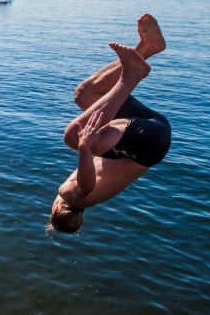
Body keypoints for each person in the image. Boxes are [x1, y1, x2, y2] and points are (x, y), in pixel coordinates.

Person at [50, 14, 171, 234]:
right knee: (74, 138)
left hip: (153, 133)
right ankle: (131, 76)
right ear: (56, 208)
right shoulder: (70, 197)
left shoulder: (89, 201)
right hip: (147, 142)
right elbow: (86, 186)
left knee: (85, 94)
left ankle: (147, 48)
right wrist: (85, 147)